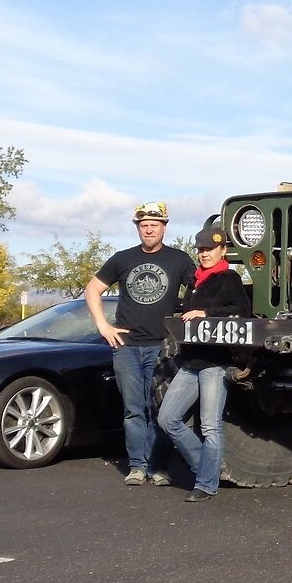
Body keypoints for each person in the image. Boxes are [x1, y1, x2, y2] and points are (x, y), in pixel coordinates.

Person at [85, 201, 195, 487]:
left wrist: (195, 314)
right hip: (126, 346)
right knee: (133, 409)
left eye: (154, 225)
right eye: (144, 225)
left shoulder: (179, 260)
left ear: (164, 227)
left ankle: (158, 467)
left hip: (162, 347)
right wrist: (103, 326)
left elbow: (199, 289)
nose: (149, 229)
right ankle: (137, 466)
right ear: (137, 228)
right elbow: (92, 289)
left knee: (159, 410)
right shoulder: (122, 259)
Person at [157, 225, 251, 503]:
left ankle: (206, 484)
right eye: (200, 249)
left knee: (210, 425)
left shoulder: (228, 278)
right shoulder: (195, 281)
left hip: (215, 362)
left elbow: (243, 312)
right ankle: (205, 467)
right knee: (167, 418)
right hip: (190, 361)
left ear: (223, 250)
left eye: (210, 249)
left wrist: (206, 313)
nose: (204, 254)